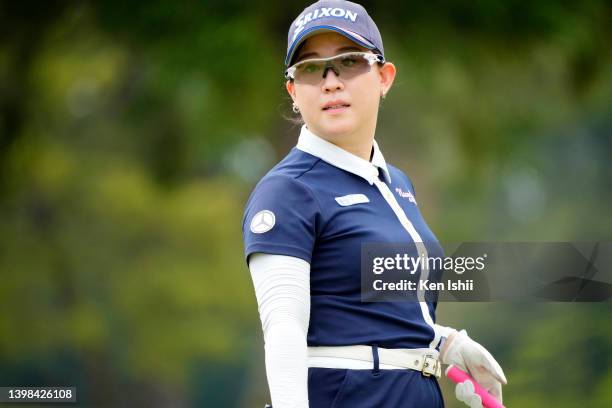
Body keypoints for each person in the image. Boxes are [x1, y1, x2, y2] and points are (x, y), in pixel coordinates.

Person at [242, 1, 507, 407]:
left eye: (349, 62)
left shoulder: (395, 183)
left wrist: (443, 343)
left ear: (384, 77)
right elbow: (283, 329)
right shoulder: (286, 191)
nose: (331, 81)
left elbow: (363, 307)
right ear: (294, 91)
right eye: (311, 68)